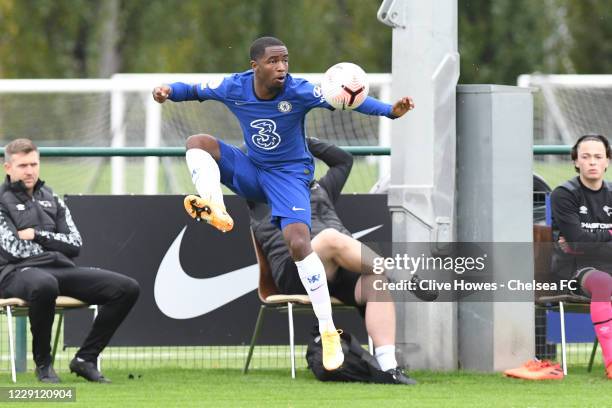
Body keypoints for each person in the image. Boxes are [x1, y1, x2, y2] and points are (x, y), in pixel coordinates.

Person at [152, 36, 415, 371]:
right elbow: (194, 89)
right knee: (198, 142)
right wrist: (166, 91)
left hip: (289, 176)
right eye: (274, 61)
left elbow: (350, 101)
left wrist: (391, 112)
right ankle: (215, 207)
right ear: (255, 66)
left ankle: (328, 329)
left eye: (285, 60)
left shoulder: (300, 90)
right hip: (253, 170)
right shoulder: (234, 86)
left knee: (298, 241)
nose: (282, 67)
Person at [249, 137, 437, 384]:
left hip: (336, 270)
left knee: (375, 282)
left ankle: (389, 368)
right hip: (296, 272)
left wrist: (300, 137)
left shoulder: (320, 188)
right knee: (329, 238)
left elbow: (343, 161)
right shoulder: (259, 192)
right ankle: (401, 274)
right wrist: (275, 136)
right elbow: (243, 158)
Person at [0, 138, 140, 383]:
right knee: (44, 284)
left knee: (127, 288)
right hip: (16, 273)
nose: (30, 171)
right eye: (23, 166)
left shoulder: (52, 199)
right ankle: (44, 365)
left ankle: (85, 359)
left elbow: (75, 244)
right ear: (8, 168)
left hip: (60, 268)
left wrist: (37, 235)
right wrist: (54, 241)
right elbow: (14, 249)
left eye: (34, 164)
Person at [550, 134, 612, 380]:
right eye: (585, 157)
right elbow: (577, 242)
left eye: (598, 157)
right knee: (604, 283)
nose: (592, 162)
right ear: (576, 162)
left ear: (607, 161)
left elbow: (582, 242)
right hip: (576, 270)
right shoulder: (564, 194)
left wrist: (586, 242)